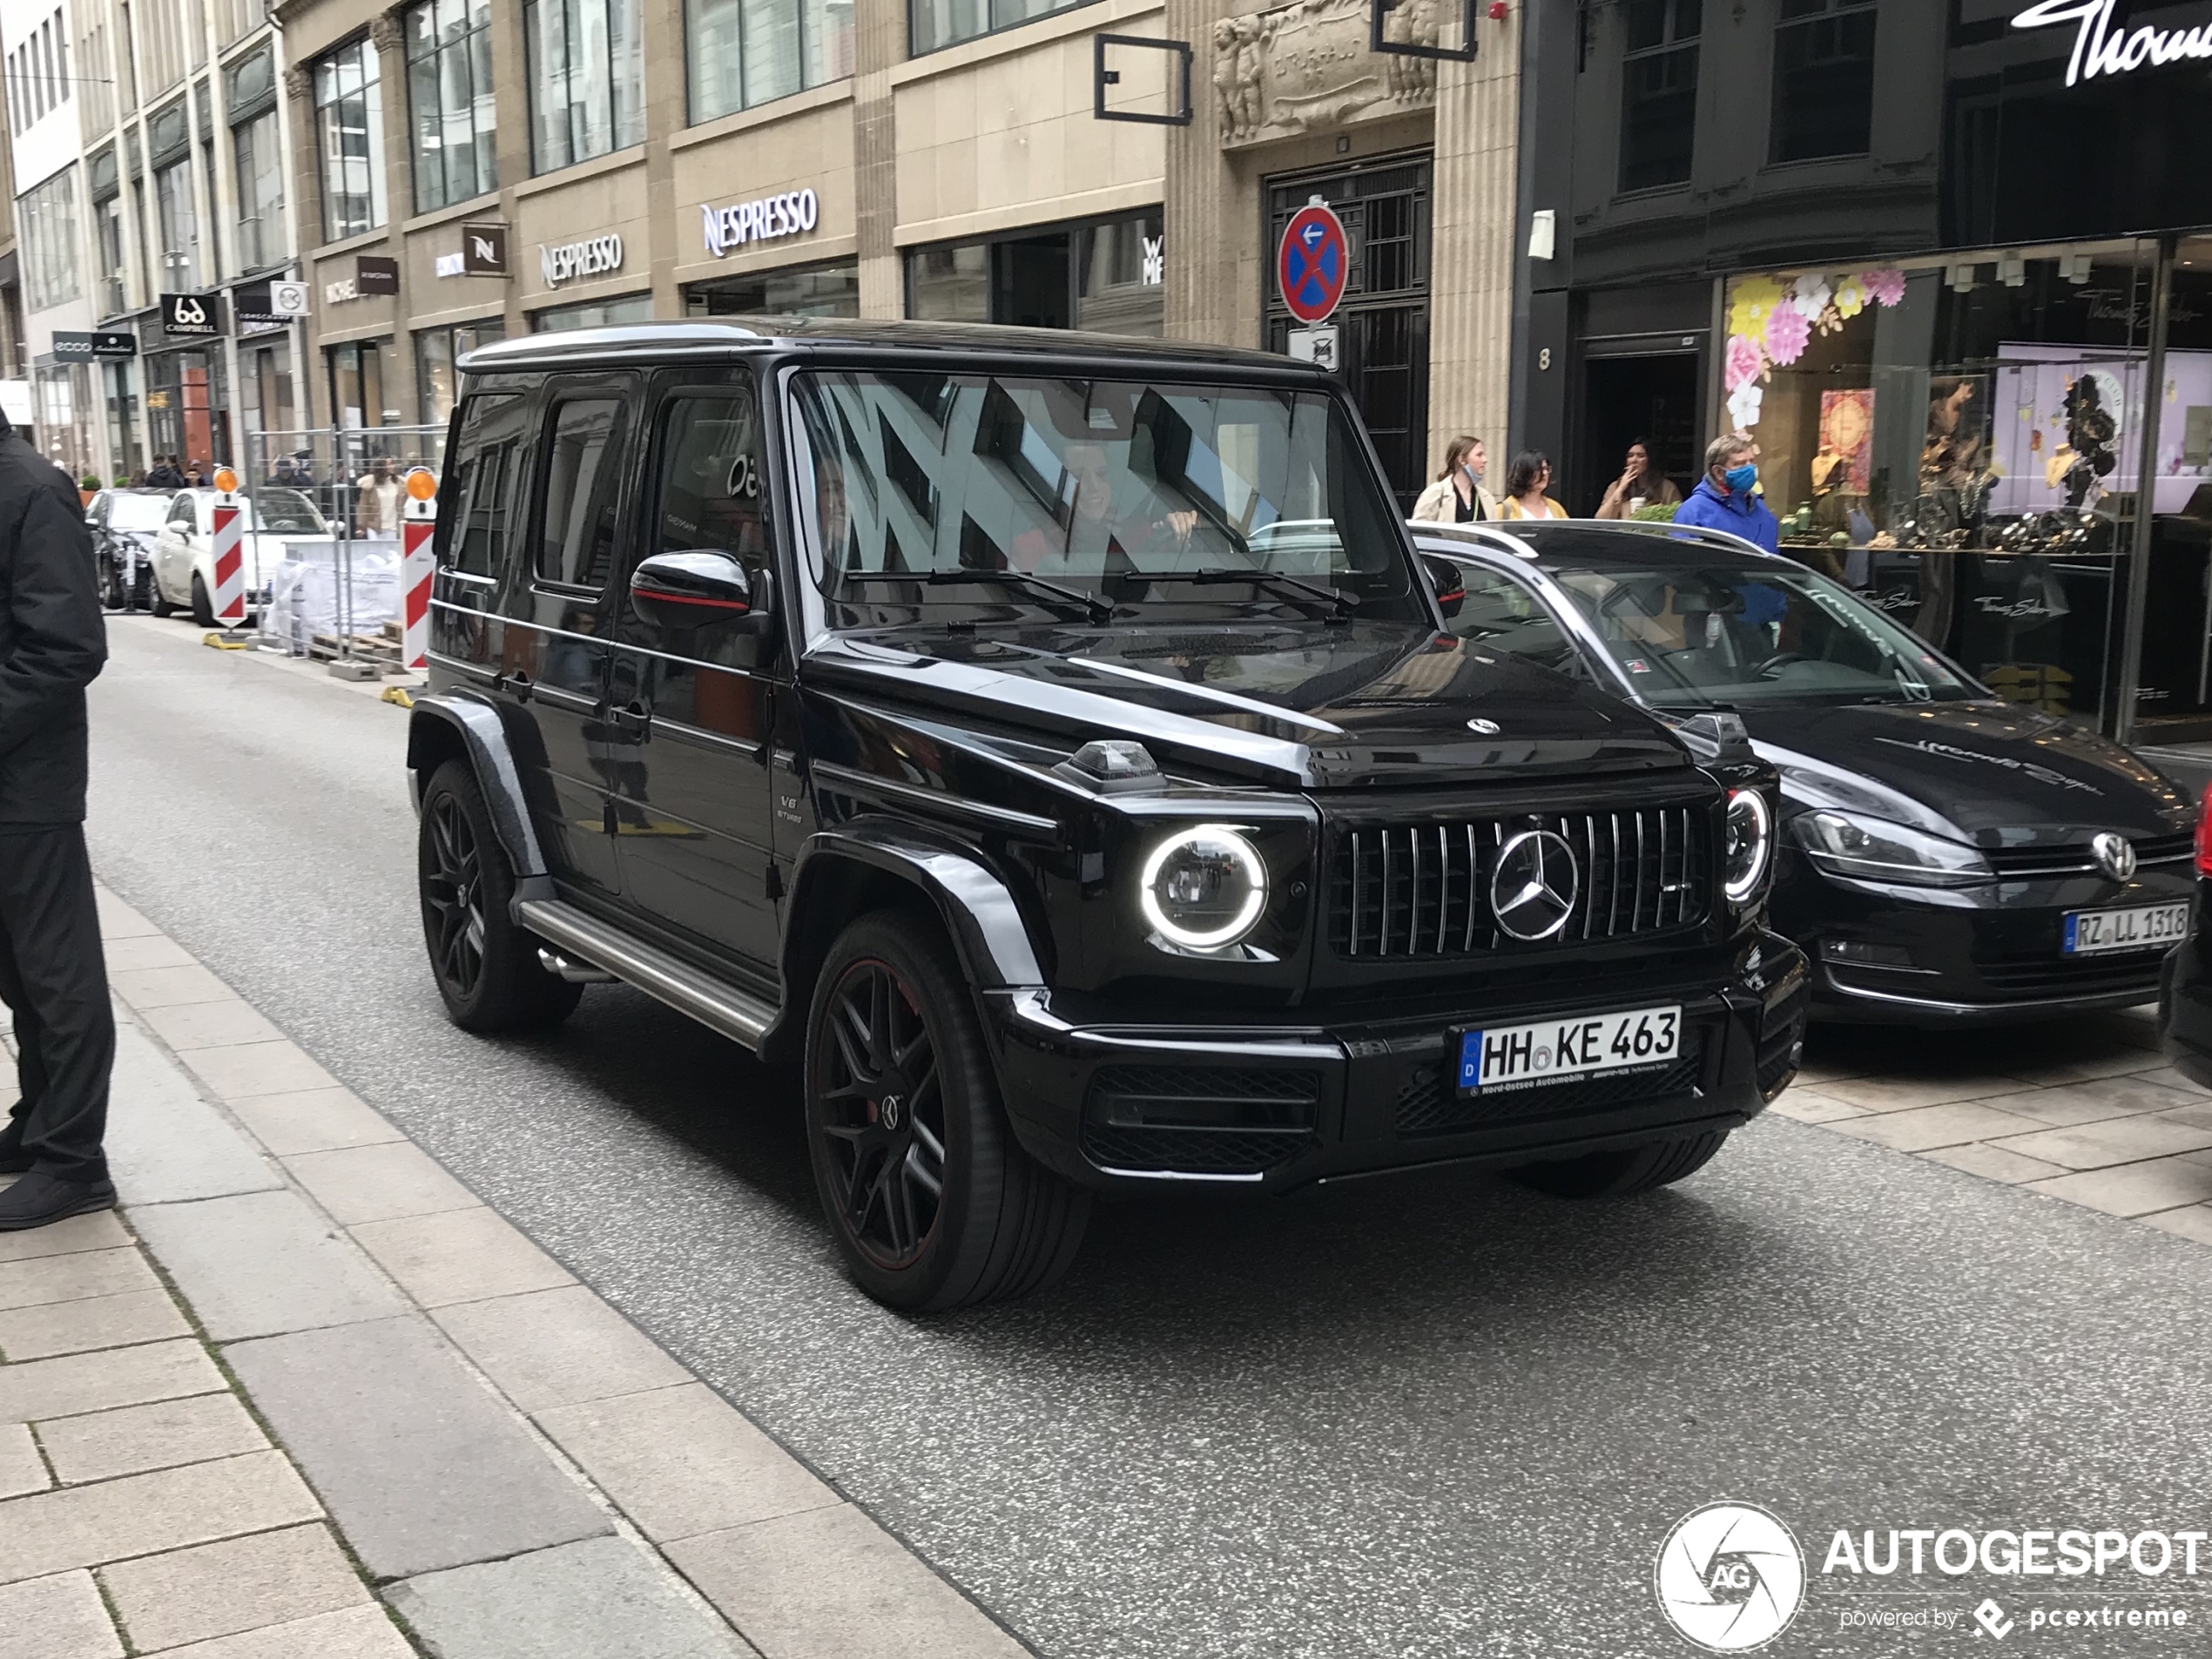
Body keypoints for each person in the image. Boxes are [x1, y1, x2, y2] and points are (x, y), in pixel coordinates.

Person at [0, 421, 116, 1229]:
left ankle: (75, 1160)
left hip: (26, 784)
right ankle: (38, 1122)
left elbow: (65, 646)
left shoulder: (32, 489)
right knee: (17, 967)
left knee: (55, 970)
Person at [1673, 432, 1780, 555]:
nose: (1749, 468)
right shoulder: (1694, 512)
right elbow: (1682, 563)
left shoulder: (1762, 510)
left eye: (1751, 461)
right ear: (1718, 472)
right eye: (1740, 464)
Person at [1411, 435, 1500, 523]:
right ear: (1461, 460)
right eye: (1479, 455)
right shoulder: (1436, 493)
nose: (1485, 460)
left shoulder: (1487, 498)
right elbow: (1419, 532)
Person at [1595, 440, 1682, 519]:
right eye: (1630, 456)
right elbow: (1600, 519)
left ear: (1650, 460)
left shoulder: (1666, 487)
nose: (1634, 460)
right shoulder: (1615, 486)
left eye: (1641, 456)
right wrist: (1620, 489)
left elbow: (1678, 517)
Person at [1498, 451, 1568, 521]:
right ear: (1524, 473)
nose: (1545, 473)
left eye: (1546, 469)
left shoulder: (1556, 508)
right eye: (1538, 469)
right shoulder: (1503, 510)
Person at [354, 456, 401, 537]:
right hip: (374, 528)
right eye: (389, 464)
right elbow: (363, 507)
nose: (393, 466)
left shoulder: (399, 484)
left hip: (393, 528)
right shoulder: (369, 486)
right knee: (375, 549)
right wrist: (361, 527)